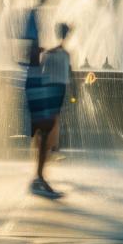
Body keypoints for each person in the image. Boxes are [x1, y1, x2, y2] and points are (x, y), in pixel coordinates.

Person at [20, 0, 64, 198]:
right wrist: (47, 60)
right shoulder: (33, 15)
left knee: (42, 128)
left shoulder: (34, 15)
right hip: (35, 79)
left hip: (34, 78)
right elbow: (31, 51)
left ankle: (39, 177)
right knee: (46, 127)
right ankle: (38, 178)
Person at [42, 23, 74, 168]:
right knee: (54, 118)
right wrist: (74, 92)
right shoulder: (63, 54)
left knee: (53, 117)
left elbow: (43, 72)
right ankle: (51, 148)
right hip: (58, 87)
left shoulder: (51, 53)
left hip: (53, 86)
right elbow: (70, 74)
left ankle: (51, 148)